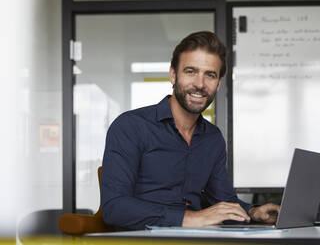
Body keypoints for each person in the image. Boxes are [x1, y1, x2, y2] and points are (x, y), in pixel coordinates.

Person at [101, 31, 280, 230]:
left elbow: (222, 200)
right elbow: (114, 207)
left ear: (218, 84)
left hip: (197, 238)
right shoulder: (131, 126)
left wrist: (253, 212)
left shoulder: (213, 138)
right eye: (190, 71)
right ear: (173, 75)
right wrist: (190, 218)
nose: (200, 84)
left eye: (210, 75)